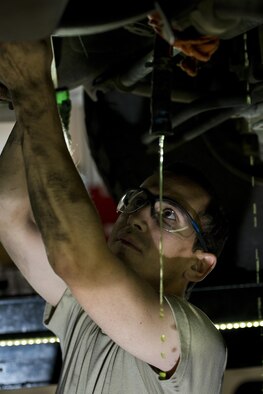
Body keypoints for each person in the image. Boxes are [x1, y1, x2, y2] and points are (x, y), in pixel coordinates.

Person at [0, 38, 228, 393]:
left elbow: (75, 260)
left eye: (168, 215)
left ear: (199, 265)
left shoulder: (190, 340)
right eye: (138, 199)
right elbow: (9, 215)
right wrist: (30, 98)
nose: (137, 216)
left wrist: (32, 88)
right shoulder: (88, 307)